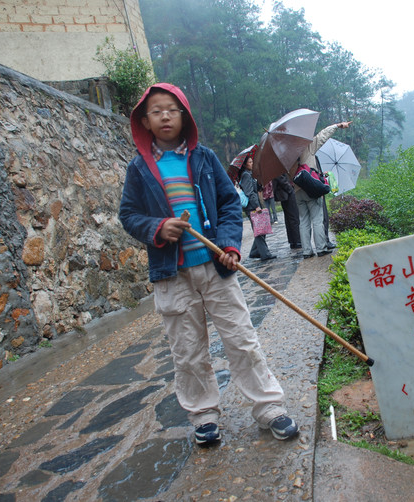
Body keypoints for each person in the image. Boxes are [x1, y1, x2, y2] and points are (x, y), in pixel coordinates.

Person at [119, 83, 298, 446]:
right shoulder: (139, 169)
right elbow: (129, 215)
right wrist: (158, 227)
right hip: (172, 275)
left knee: (242, 339)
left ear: (184, 115)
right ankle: (204, 416)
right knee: (187, 351)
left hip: (216, 267)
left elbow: (230, 205)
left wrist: (230, 245)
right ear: (146, 121)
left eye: (172, 108)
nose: (165, 115)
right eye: (156, 111)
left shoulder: (204, 158)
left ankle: (269, 408)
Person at [293, 121, 351, 258]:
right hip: (311, 188)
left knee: (303, 221)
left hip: (297, 190)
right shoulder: (306, 146)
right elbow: (323, 135)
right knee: (317, 219)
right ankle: (321, 248)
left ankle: (307, 251)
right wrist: (338, 126)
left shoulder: (286, 155)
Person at [239, 156, 276, 261]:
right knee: (259, 230)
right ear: (245, 164)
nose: (252, 163)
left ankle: (255, 252)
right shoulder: (246, 175)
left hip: (254, 205)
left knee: (261, 229)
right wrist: (256, 206)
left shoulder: (250, 175)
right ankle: (265, 254)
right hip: (252, 207)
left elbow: (257, 189)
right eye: (250, 162)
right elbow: (250, 192)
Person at [271, 173, 301, 249]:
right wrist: (290, 189)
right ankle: (297, 241)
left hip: (284, 194)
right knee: (293, 217)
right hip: (286, 194)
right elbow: (280, 178)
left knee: (289, 218)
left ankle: (293, 241)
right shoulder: (277, 167)